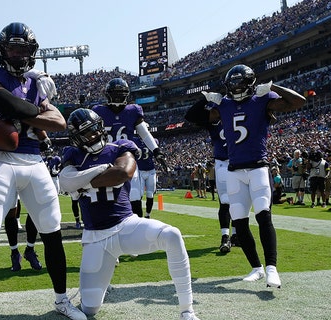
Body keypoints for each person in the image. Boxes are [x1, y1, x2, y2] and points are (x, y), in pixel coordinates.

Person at [0, 22, 85, 320]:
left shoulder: (33, 83)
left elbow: (59, 122)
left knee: (52, 233)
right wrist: (32, 113)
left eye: (23, 49)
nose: (18, 55)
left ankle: (61, 301)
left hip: (33, 162)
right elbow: (9, 103)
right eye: (12, 48)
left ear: (32, 52)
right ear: (2, 50)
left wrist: (27, 114)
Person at [59, 108, 199, 320]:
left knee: (172, 235)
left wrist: (82, 182)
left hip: (126, 226)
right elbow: (65, 182)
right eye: (87, 133)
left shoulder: (120, 147)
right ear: (77, 138)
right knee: (89, 309)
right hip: (95, 238)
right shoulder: (73, 154)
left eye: (96, 129)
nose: (94, 135)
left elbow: (122, 173)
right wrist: (100, 170)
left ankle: (187, 310)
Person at [188, 64, 306, 288]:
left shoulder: (262, 99)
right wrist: (207, 99)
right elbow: (194, 117)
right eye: (232, 84)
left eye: (241, 83)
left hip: (258, 168)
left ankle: (272, 268)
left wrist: (274, 87)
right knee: (240, 223)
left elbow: (298, 101)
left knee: (263, 216)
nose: (237, 87)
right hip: (234, 170)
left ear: (251, 83)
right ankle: (257, 268)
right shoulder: (224, 104)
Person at [92, 77, 168, 204]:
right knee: (105, 197)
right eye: (114, 95)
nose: (117, 98)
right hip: (105, 158)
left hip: (126, 158)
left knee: (133, 196)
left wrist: (156, 151)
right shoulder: (98, 111)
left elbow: (144, 133)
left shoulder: (132, 111)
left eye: (120, 95)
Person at [184, 97, 237, 253]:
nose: (212, 113)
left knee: (240, 202)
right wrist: (204, 99)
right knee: (226, 202)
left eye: (214, 110)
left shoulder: (236, 114)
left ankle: (235, 235)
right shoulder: (214, 123)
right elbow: (190, 116)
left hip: (240, 162)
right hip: (223, 163)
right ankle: (225, 237)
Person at [131, 136, 158, 218]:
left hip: (151, 171)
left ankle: (147, 215)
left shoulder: (154, 141)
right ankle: (137, 216)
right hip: (140, 171)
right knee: (139, 195)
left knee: (150, 194)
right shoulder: (135, 140)